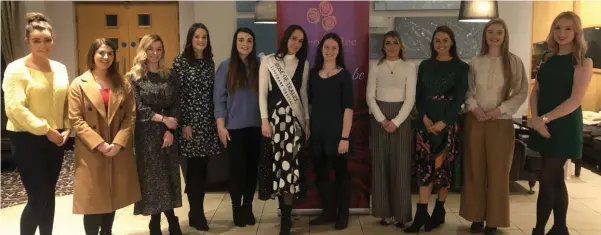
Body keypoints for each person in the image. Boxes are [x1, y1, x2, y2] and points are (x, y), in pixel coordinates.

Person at [2, 12, 70, 235]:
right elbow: (14, 108)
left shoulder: (60, 68)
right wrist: (46, 129)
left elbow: (66, 101)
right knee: (38, 196)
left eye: (47, 40)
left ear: (53, 39)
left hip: (56, 138)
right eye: (37, 41)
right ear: (27, 41)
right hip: (26, 138)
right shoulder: (15, 69)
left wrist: (67, 127)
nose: (43, 45)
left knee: (49, 195)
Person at [459, 18, 529, 235]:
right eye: (490, 32)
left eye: (499, 32)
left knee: (498, 172)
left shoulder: (514, 62)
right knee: (475, 170)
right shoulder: (475, 62)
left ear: (505, 35)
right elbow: (467, 91)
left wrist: (500, 109)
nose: (494, 36)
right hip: (476, 121)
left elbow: (521, 92)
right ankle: (476, 217)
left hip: (501, 123)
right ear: (485, 35)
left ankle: (494, 220)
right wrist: (474, 108)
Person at [528, 11, 593, 235]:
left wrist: (543, 119)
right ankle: (560, 228)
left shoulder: (583, 61)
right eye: (558, 28)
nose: (562, 33)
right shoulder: (547, 58)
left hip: (564, 126)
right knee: (555, 178)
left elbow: (575, 100)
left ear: (577, 32)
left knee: (547, 177)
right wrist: (536, 119)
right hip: (542, 124)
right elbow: (535, 91)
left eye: (567, 28)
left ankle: (538, 230)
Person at [68, 38, 140, 235]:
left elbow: (130, 115)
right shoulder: (78, 84)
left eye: (110, 53)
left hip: (116, 148)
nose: (106, 57)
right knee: (93, 200)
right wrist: (100, 144)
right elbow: (76, 119)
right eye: (101, 53)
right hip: (91, 150)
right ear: (92, 55)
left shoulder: (122, 82)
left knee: (112, 196)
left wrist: (118, 143)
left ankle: (107, 232)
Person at [404, 26, 469, 233]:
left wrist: (444, 122)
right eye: (437, 40)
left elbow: (459, 99)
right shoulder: (424, 65)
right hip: (425, 124)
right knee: (425, 168)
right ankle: (421, 213)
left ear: (452, 43)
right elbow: (418, 96)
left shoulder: (461, 67)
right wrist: (423, 117)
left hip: (448, 125)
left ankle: (439, 210)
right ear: (432, 43)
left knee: (443, 170)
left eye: (445, 40)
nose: (441, 44)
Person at [127, 34, 182, 235]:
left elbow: (176, 104)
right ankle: (160, 222)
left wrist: (170, 129)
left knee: (167, 179)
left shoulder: (170, 75)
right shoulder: (134, 77)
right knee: (152, 181)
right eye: (151, 49)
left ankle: (165, 221)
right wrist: (162, 119)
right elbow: (137, 107)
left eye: (159, 49)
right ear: (143, 50)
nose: (155, 53)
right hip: (146, 136)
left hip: (168, 135)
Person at [257, 24, 310, 235]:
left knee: (290, 170)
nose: (296, 43)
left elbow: (303, 94)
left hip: (294, 124)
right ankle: (283, 216)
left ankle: (287, 220)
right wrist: (264, 121)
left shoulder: (303, 64)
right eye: (293, 38)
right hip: (275, 124)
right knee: (278, 169)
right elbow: (261, 94)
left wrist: (306, 120)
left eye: (300, 41)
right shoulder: (269, 62)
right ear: (286, 37)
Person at [171, 23, 222, 231]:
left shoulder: (209, 63)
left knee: (203, 170)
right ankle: (197, 214)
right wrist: (185, 123)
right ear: (190, 39)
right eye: (197, 37)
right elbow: (178, 95)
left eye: (204, 37)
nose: (201, 40)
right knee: (194, 172)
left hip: (208, 123)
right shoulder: (180, 62)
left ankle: (196, 211)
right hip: (190, 125)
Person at [366, 30, 416, 228]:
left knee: (401, 167)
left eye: (395, 43)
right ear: (383, 46)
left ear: (400, 45)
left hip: (401, 119)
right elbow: (369, 96)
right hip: (379, 118)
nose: (392, 47)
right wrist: (382, 119)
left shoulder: (409, 66)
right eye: (388, 43)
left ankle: (401, 214)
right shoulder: (375, 66)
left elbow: (410, 98)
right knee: (380, 166)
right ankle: (384, 213)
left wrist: (395, 121)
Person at [214, 27, 262, 227]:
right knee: (237, 171)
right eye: (241, 40)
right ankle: (236, 207)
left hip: (256, 128)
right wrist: (221, 126)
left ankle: (248, 206)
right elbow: (219, 99)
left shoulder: (260, 66)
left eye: (249, 40)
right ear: (235, 42)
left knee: (252, 170)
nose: (245, 44)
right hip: (233, 129)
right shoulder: (225, 67)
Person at [307, 32, 355, 230]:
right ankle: (328, 212)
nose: (330, 51)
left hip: (337, 133)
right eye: (326, 47)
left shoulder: (344, 75)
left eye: (334, 48)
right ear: (321, 50)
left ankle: (343, 215)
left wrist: (345, 137)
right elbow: (308, 104)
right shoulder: (312, 74)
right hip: (317, 132)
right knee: (321, 173)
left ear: (339, 51)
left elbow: (348, 108)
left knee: (341, 174)